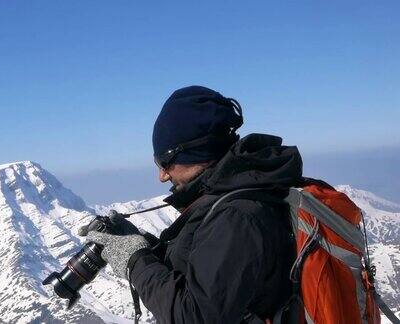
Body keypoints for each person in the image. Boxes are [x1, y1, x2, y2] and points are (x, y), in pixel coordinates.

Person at [84, 86, 302, 323]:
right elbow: (200, 266)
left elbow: (194, 316)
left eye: (165, 161)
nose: (162, 176)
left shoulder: (237, 217)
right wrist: (139, 242)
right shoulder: (228, 199)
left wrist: (136, 261)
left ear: (196, 152)